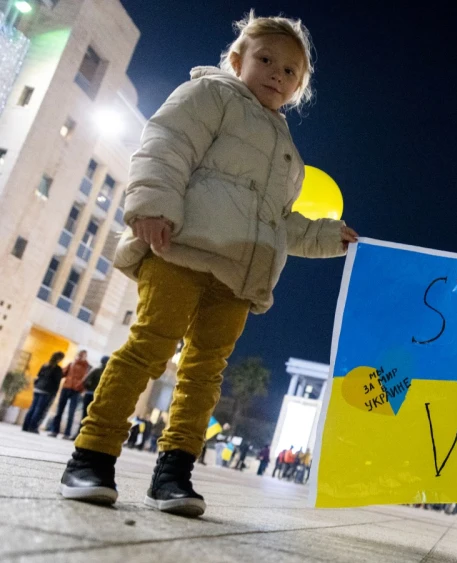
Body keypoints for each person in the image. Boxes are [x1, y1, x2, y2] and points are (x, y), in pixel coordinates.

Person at [58, 11, 358, 518]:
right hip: (182, 247)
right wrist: (153, 205)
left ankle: (173, 474)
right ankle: (91, 456)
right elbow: (166, 144)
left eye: (290, 72)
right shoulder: (210, 96)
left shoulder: (288, 153)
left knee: (204, 373)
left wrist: (329, 238)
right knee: (148, 348)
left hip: (240, 276)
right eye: (266, 60)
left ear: (299, 87)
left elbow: (280, 223)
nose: (276, 75)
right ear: (238, 59)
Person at [47, 351, 90, 439]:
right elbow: (63, 373)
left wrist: (81, 388)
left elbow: (86, 379)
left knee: (71, 412)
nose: (80, 357)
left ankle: (67, 433)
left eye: (82, 355)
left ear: (85, 356)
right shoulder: (71, 364)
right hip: (66, 388)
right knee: (59, 410)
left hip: (76, 391)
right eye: (79, 355)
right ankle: (54, 431)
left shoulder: (87, 367)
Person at [22, 352, 66, 433]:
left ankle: (25, 426)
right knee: (39, 409)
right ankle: (33, 427)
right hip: (47, 391)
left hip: (38, 388)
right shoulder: (57, 369)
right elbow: (57, 382)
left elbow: (38, 376)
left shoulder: (45, 365)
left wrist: (36, 386)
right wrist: (55, 393)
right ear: (60, 359)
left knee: (33, 407)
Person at [79, 356, 109, 424]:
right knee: (92, 417)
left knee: (84, 415)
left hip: (89, 394)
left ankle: (80, 432)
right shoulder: (108, 373)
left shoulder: (96, 369)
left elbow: (85, 381)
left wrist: (88, 388)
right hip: (98, 397)